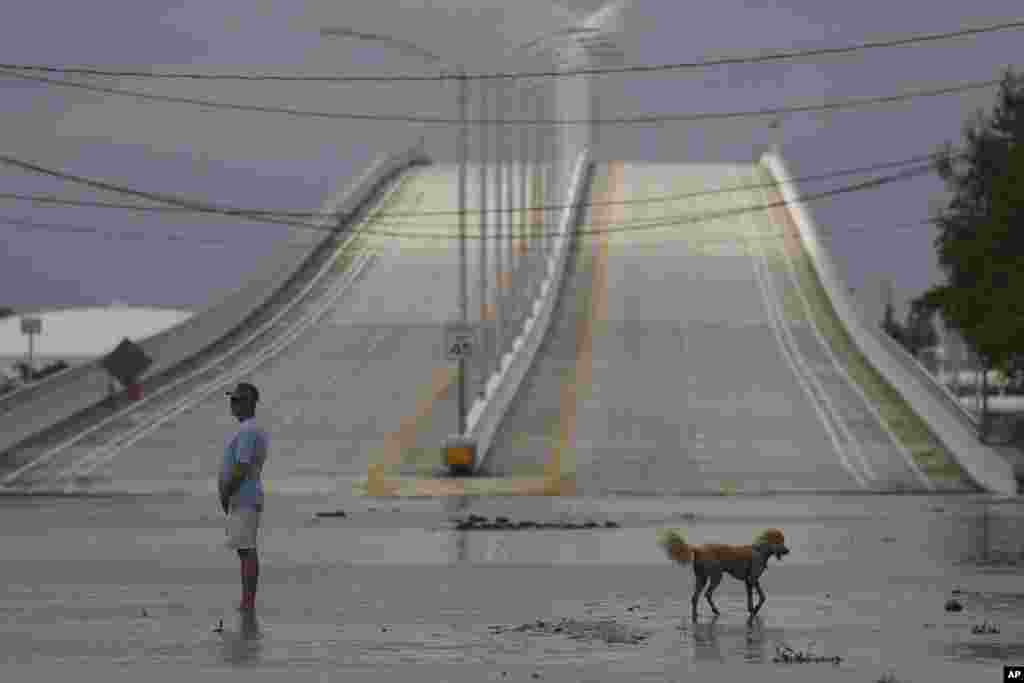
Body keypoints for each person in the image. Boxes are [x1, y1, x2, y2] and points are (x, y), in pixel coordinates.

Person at [219, 381, 269, 615]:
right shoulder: (248, 429)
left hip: (244, 497)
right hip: (243, 498)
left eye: (237, 401)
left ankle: (248, 602)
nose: (233, 405)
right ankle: (246, 600)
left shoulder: (248, 430)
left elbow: (241, 466)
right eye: (232, 400)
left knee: (247, 550)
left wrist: (227, 490)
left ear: (250, 403)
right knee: (243, 549)